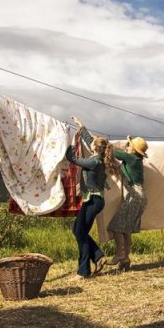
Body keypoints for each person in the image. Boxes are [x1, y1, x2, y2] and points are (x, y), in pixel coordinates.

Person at [64, 117, 119, 278]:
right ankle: (98, 256)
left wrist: (73, 143)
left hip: (93, 201)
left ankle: (83, 271)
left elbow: (72, 159)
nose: (91, 142)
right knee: (77, 230)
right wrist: (81, 126)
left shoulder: (94, 162)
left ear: (95, 148)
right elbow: (91, 140)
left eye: (93, 143)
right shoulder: (99, 158)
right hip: (95, 200)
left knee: (80, 233)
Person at [108, 135, 149, 270]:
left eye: (129, 145)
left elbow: (111, 151)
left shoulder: (131, 158)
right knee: (126, 230)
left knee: (116, 226)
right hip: (139, 196)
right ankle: (126, 259)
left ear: (134, 150)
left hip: (134, 196)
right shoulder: (135, 160)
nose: (127, 146)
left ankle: (120, 254)